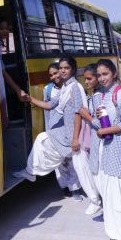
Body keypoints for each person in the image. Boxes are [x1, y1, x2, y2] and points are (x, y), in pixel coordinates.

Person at [13, 56, 101, 215]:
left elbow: (78, 113)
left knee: (84, 170)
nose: (62, 71)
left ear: (73, 69)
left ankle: (95, 200)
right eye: (61, 68)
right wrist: (29, 98)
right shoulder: (65, 88)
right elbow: (49, 105)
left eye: (66, 68)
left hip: (75, 135)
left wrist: (75, 138)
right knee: (43, 140)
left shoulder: (74, 87)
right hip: (67, 133)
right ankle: (32, 171)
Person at [91, 59, 121, 240]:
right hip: (104, 148)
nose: (102, 78)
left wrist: (105, 130)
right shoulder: (97, 97)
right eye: (99, 75)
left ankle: (118, 238)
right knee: (112, 192)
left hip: (119, 146)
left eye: (105, 74)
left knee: (117, 193)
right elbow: (94, 121)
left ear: (114, 74)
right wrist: (98, 123)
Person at [44, 62, 82, 202]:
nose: (54, 76)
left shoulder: (70, 88)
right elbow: (47, 110)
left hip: (69, 130)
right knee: (59, 162)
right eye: (51, 74)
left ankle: (75, 188)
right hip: (54, 130)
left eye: (56, 72)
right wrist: (48, 129)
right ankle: (65, 186)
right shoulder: (48, 90)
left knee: (72, 161)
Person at [79, 63, 105, 221]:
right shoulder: (95, 94)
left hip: (101, 142)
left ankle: (108, 211)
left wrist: (86, 115)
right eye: (85, 79)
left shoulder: (99, 97)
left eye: (89, 79)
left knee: (100, 177)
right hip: (96, 142)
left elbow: (102, 123)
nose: (86, 82)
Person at [0, 17, 28, 102]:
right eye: (1, 29)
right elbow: (2, 72)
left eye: (7, 29)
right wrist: (18, 90)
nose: (5, 31)